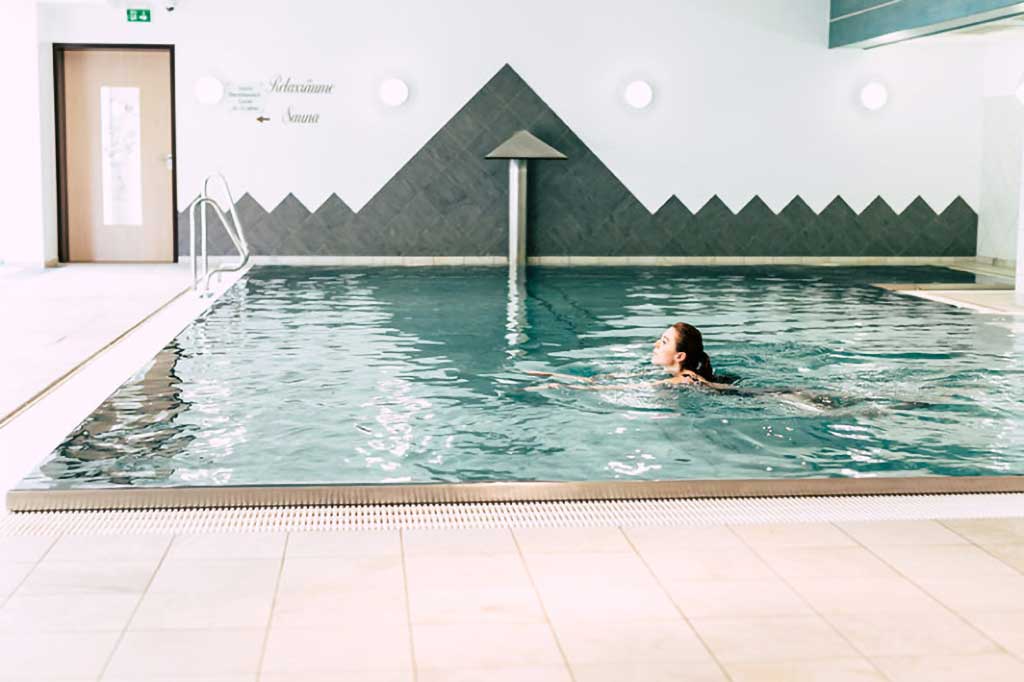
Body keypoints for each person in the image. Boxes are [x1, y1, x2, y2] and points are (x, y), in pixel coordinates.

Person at [526, 322, 734, 391]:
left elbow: (624, 388)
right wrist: (551, 375)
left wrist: (564, 388)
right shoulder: (666, 373)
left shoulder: (686, 378)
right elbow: (600, 381)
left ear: (679, 356)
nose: (655, 345)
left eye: (663, 342)